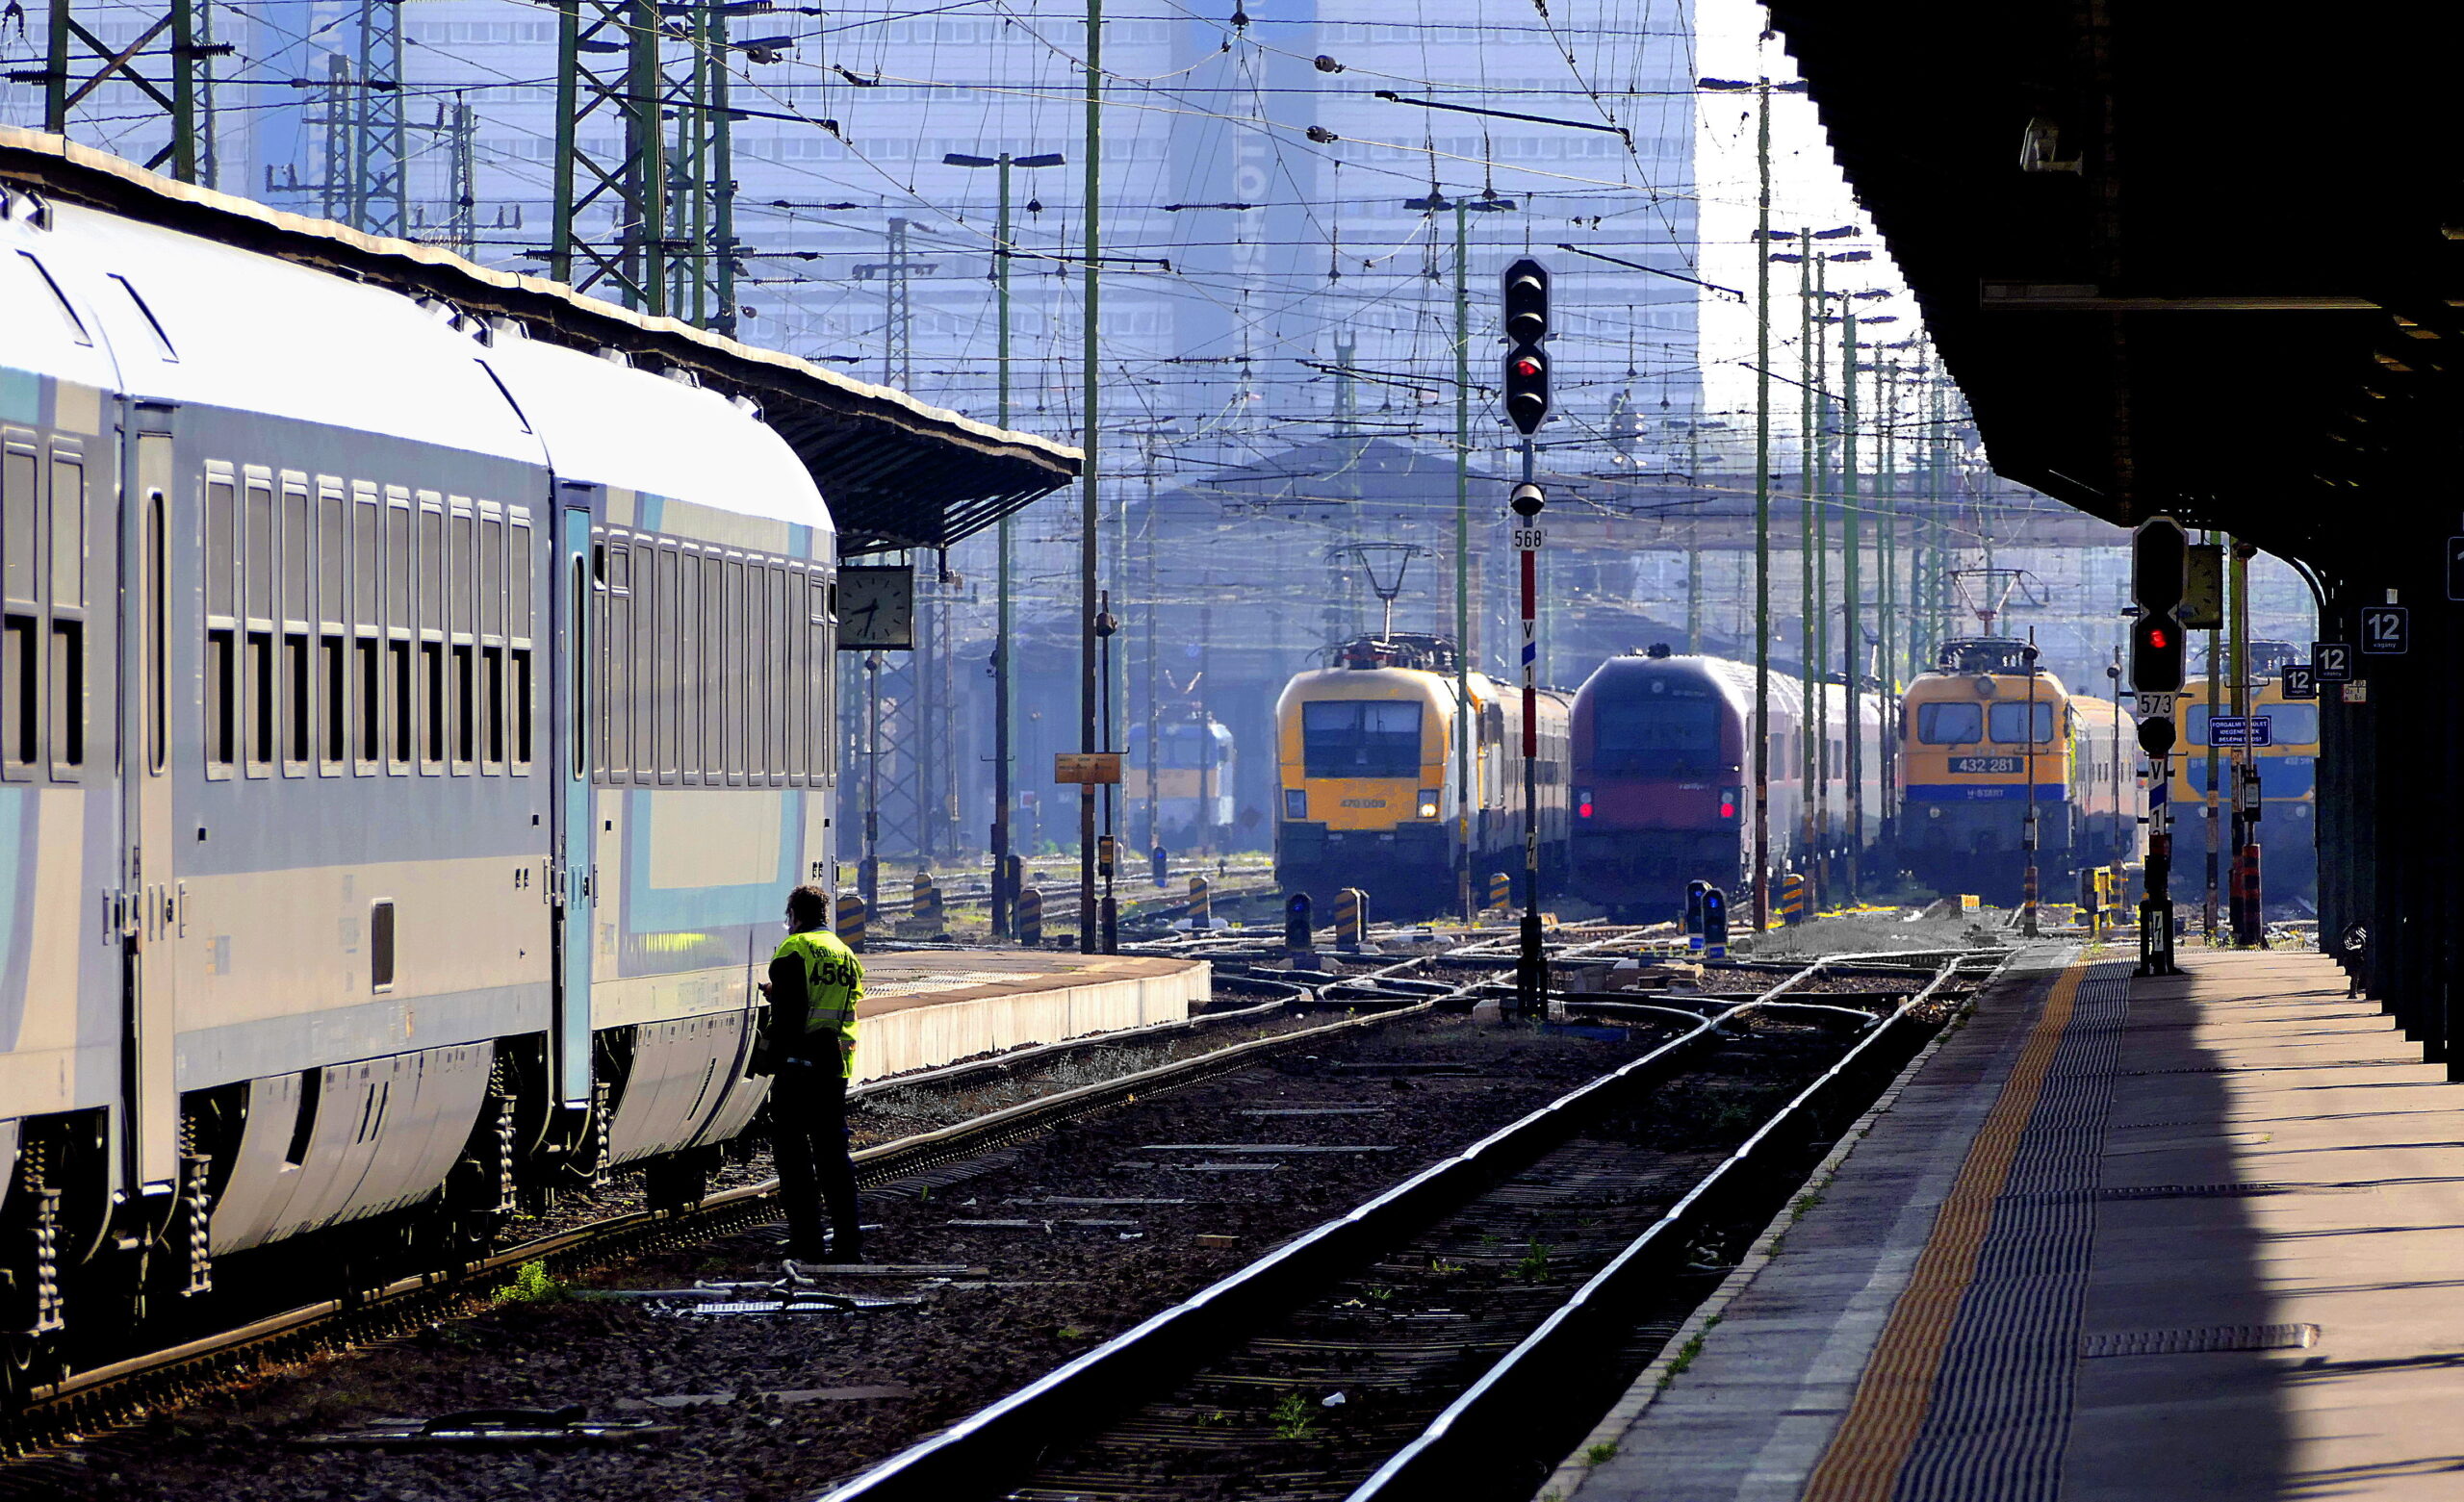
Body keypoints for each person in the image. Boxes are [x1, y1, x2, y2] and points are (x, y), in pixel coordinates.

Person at [756, 883, 865, 1262]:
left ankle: (808, 1242)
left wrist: (768, 1057)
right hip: (836, 1066)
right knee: (835, 1158)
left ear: (795, 915)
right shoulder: (845, 953)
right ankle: (849, 1244)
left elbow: (791, 1013)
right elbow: (833, 1003)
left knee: (794, 1158)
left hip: (798, 1067)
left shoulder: (793, 949)